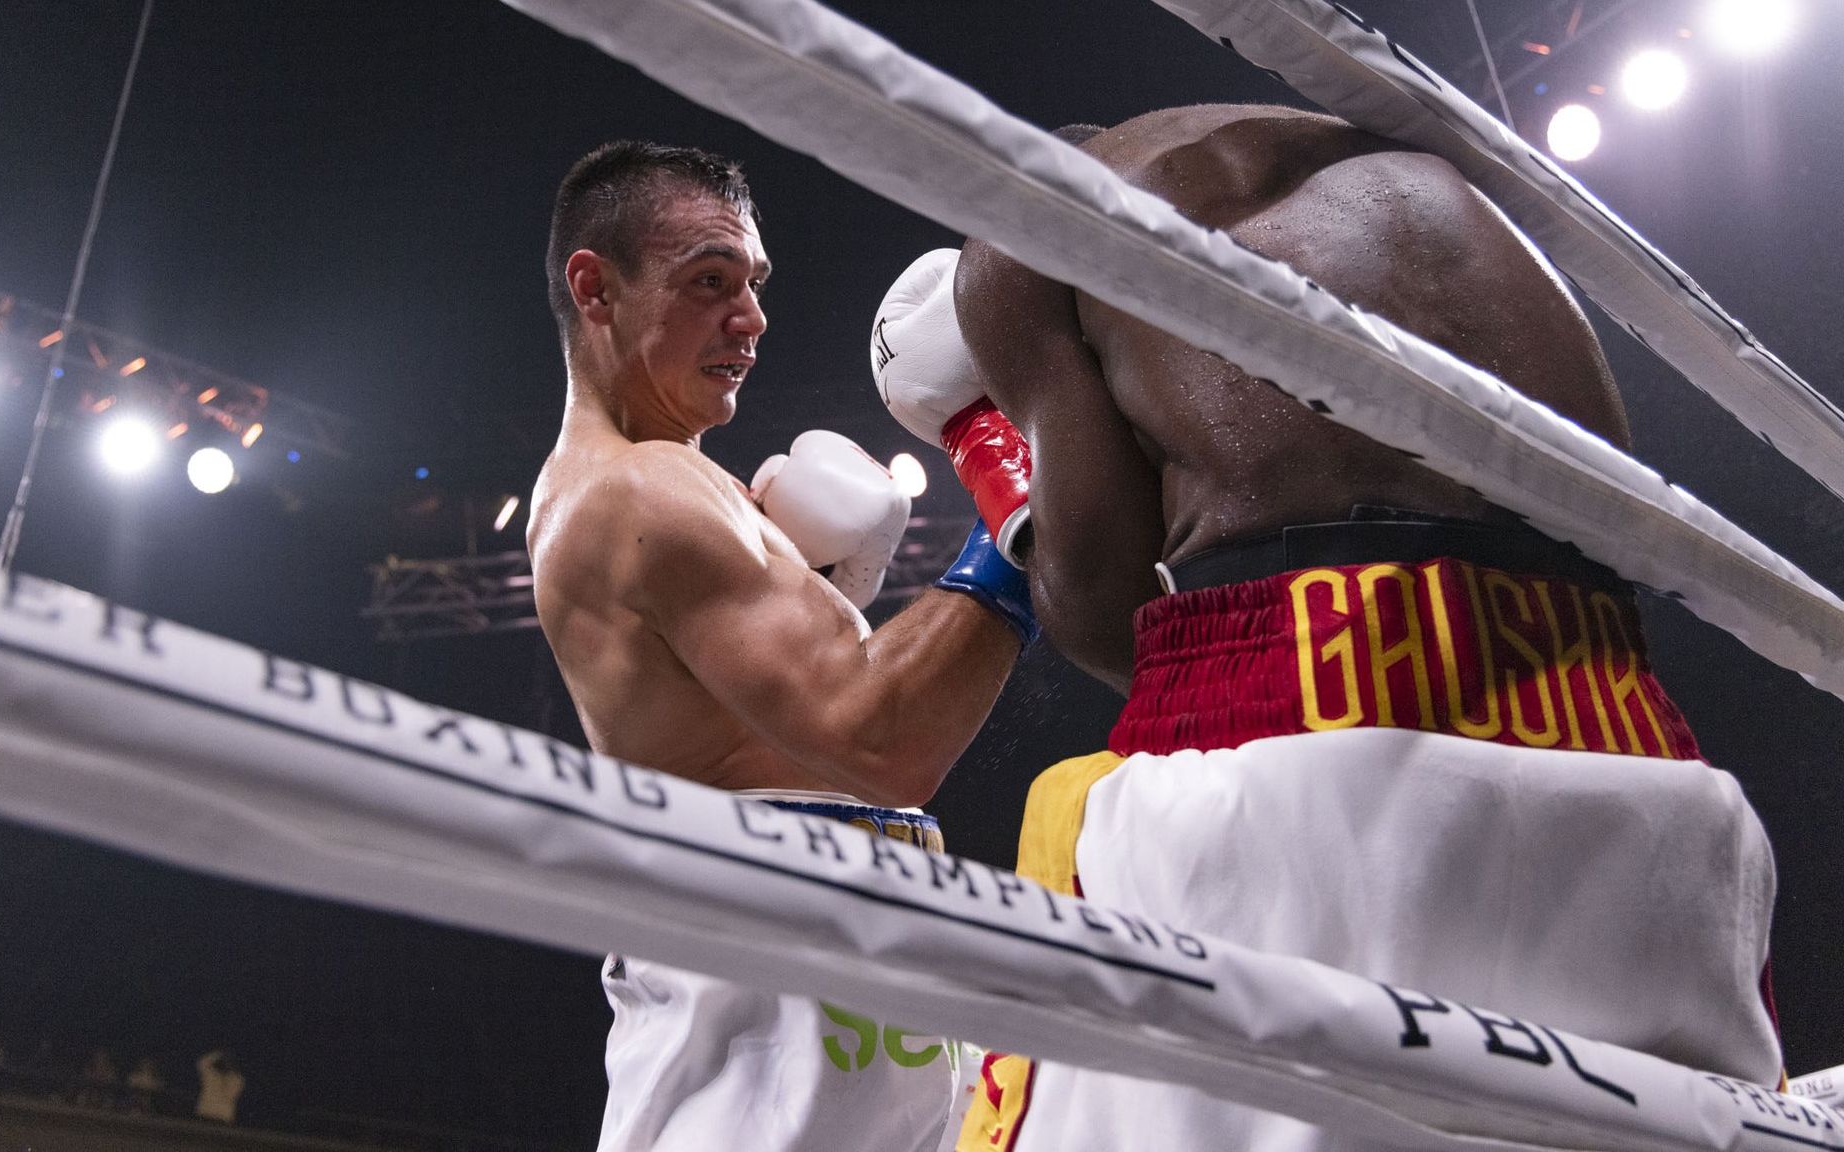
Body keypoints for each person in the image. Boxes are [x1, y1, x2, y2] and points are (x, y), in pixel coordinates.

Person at [870, 107, 1781, 1150]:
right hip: (1612, 713)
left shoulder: (1022, 224)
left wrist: (984, 453)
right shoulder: (1371, 139)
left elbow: (1103, 611)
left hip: (1306, 703)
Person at [528, 140, 1037, 1152]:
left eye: (753, 284)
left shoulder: (684, 487)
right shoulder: (637, 493)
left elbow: (799, 729)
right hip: (767, 1045)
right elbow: (882, 742)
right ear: (595, 288)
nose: (749, 319)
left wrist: (841, 598)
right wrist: (1020, 510)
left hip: (842, 998)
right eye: (708, 282)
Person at [195, 1048, 244, 1124]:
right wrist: (219, 1054)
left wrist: (218, 1055)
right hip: (206, 1114)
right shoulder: (211, 1075)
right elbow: (202, 1063)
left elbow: (202, 1063)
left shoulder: (235, 1080)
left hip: (222, 1117)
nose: (226, 1064)